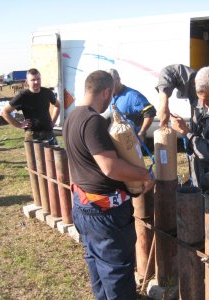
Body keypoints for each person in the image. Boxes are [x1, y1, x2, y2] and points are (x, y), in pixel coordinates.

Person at [63, 70, 154, 300]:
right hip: (105, 215)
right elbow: (110, 167)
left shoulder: (72, 116)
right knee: (116, 274)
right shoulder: (93, 121)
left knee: (97, 268)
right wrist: (144, 174)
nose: (111, 100)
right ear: (105, 91)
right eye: (111, 95)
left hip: (83, 208)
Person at [1, 68, 60, 145]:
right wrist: (19, 124)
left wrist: (53, 121)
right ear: (27, 82)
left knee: (55, 156)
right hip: (32, 134)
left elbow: (58, 106)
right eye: (33, 80)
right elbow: (4, 112)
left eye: (38, 79)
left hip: (48, 132)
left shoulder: (47, 92)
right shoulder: (22, 96)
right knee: (35, 157)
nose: (36, 82)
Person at [107, 68, 156, 141]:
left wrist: (142, 132)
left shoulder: (133, 95)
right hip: (119, 141)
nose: (109, 87)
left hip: (133, 142)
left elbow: (150, 112)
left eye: (111, 83)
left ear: (118, 79)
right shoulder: (111, 97)